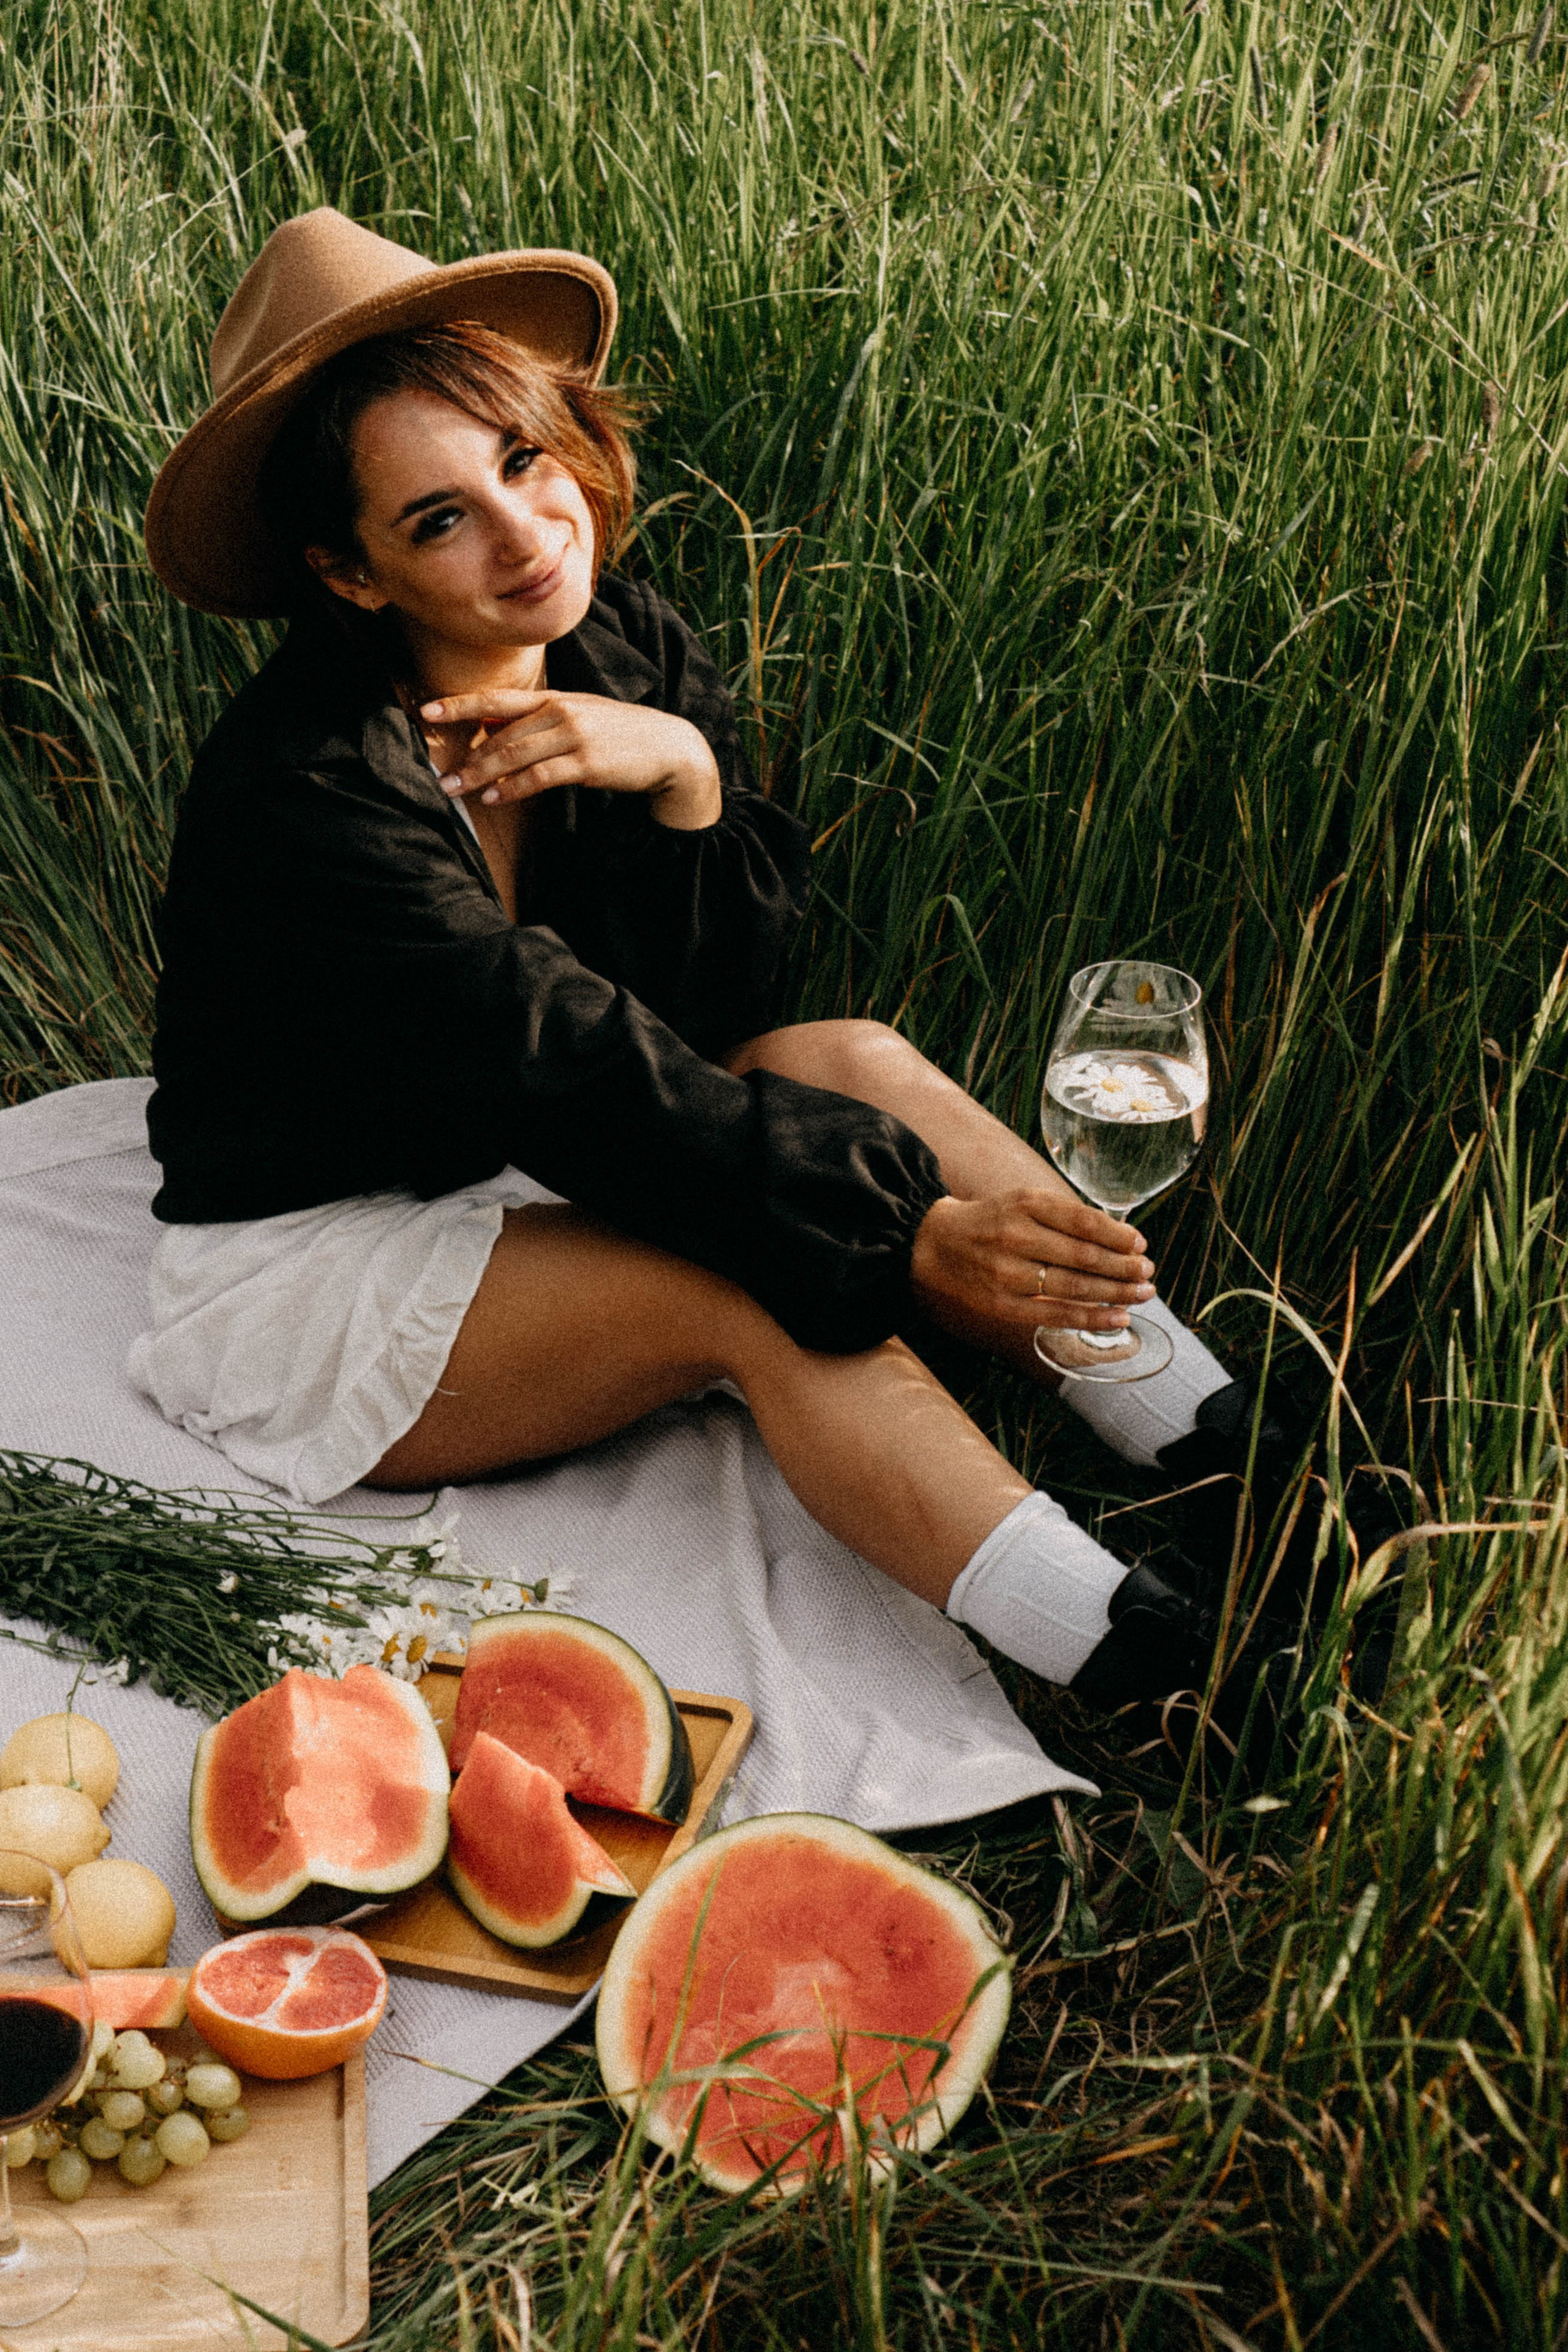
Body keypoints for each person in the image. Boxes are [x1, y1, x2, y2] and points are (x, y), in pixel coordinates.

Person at [130, 208, 1332, 1733]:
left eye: (522, 459)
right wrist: (900, 1237)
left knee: (856, 1051)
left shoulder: (614, 643)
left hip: (525, 1152)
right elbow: (561, 1061)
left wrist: (683, 773)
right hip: (324, 1254)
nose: (523, 532)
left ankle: (1238, 1455)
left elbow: (717, 1015)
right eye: (436, 519)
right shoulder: (304, 790)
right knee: (754, 1288)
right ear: (351, 574)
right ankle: (1162, 1673)